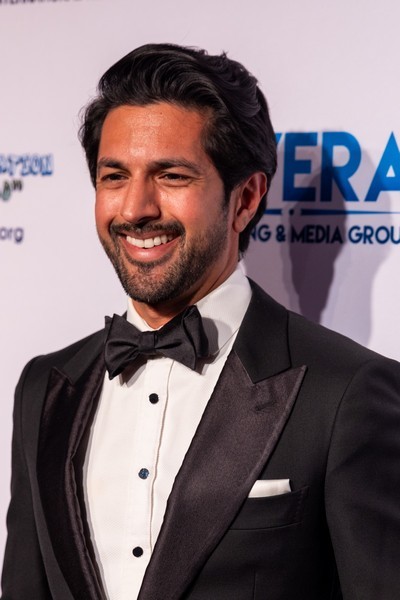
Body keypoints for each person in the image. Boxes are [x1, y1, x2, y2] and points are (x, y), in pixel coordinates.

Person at [2, 43, 400, 600]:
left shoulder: (346, 393)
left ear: (245, 199)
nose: (135, 208)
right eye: (114, 176)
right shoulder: (44, 388)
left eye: (171, 175)